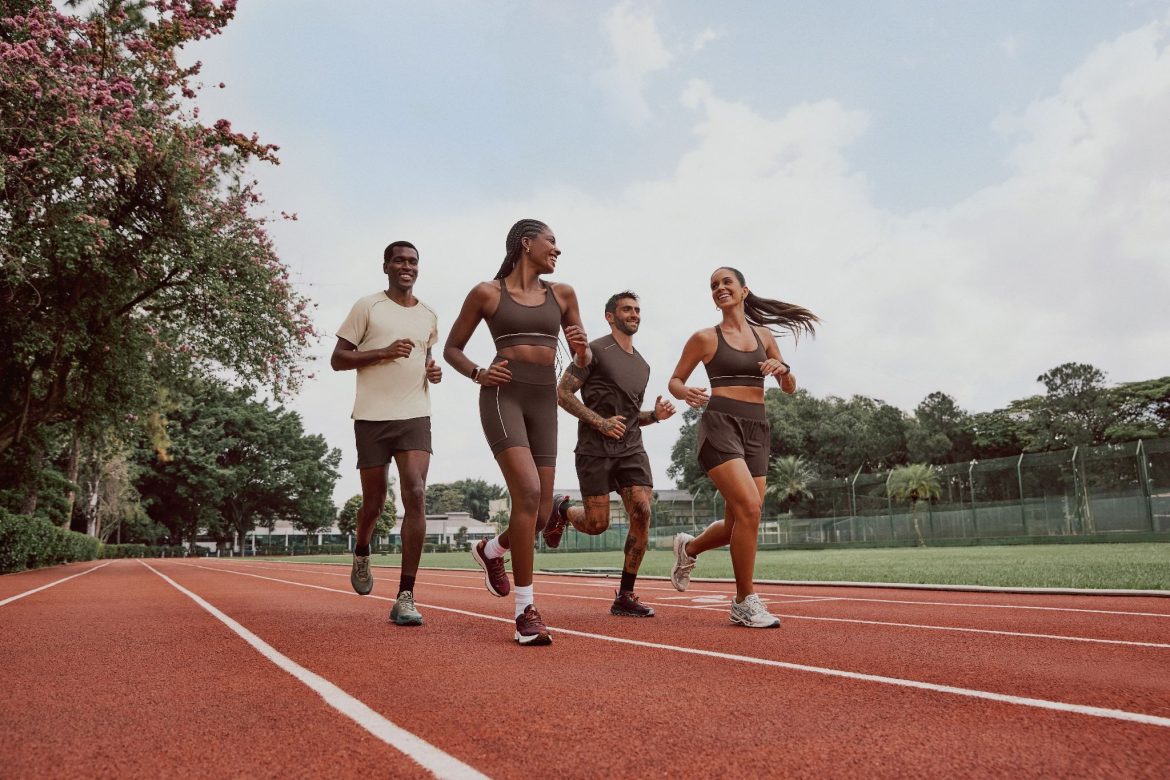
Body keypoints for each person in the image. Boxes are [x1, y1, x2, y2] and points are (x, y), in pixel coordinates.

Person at [443, 219, 589, 646]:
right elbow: (453, 347)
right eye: (551, 241)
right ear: (527, 244)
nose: (557, 250)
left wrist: (583, 351)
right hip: (503, 395)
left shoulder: (563, 294)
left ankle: (493, 551)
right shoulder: (487, 293)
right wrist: (477, 373)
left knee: (541, 515)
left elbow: (584, 361)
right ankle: (526, 610)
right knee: (526, 494)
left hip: (544, 399)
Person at [667, 267, 817, 628]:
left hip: (757, 429)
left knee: (741, 519)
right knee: (750, 507)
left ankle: (689, 548)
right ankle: (743, 600)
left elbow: (790, 386)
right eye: (714, 285)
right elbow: (675, 381)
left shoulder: (764, 335)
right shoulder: (704, 338)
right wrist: (685, 392)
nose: (720, 288)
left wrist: (782, 369)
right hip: (720, 425)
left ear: (743, 290)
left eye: (726, 283)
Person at [543, 291, 676, 617]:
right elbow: (563, 393)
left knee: (642, 511)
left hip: (631, 449)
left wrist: (655, 416)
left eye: (637, 310)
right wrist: (600, 423)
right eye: (626, 309)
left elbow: (632, 418)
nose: (634, 314)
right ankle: (561, 509)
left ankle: (625, 596)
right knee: (597, 524)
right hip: (594, 450)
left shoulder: (642, 365)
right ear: (610, 316)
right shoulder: (594, 352)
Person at [331, 240, 442, 627]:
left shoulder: (429, 315)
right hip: (372, 418)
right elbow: (338, 359)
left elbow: (426, 358)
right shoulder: (368, 307)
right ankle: (362, 548)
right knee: (374, 503)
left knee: (415, 492)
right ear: (386, 267)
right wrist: (382, 352)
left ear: (418, 268)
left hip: (414, 414)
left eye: (412, 261)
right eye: (399, 260)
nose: (406, 266)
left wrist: (433, 370)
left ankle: (405, 596)